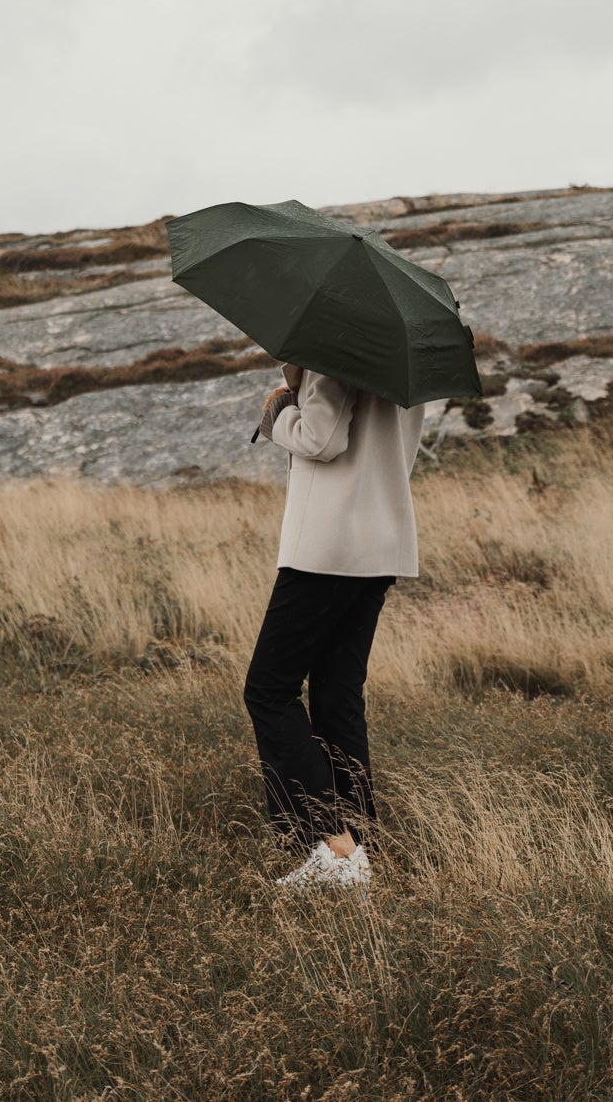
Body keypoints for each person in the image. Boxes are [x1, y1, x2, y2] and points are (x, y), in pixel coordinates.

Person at [243, 361, 426, 892]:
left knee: (268, 690)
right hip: (380, 543)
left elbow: (322, 439)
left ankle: (336, 847)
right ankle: (360, 842)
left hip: (326, 549)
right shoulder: (395, 356)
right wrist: (301, 379)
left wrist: (280, 409)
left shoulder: (337, 351)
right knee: (335, 693)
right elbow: (362, 424)